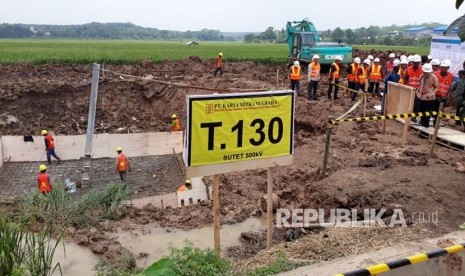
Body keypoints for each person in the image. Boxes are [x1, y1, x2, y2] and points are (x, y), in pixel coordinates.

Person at [417, 63, 438, 128]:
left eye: (427, 72)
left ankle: (425, 125)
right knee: (421, 111)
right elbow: (420, 84)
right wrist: (418, 90)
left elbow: (436, 86)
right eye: (425, 72)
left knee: (427, 112)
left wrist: (432, 93)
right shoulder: (421, 76)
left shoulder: (433, 77)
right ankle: (422, 123)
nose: (426, 73)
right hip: (421, 96)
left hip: (428, 98)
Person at [433, 59, 454, 124]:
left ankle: (436, 123)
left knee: (440, 111)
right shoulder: (435, 74)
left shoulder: (451, 76)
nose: (443, 69)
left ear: (448, 68)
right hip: (435, 96)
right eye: (442, 67)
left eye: (445, 68)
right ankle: (433, 121)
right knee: (433, 109)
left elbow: (450, 86)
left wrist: (448, 96)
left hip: (443, 97)